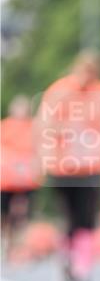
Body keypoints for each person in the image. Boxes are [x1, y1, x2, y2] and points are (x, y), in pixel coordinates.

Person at [39, 52, 100, 281]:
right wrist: (73, 128)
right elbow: (46, 124)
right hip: (64, 166)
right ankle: (66, 260)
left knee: (87, 218)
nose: (88, 78)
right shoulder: (59, 91)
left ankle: (82, 270)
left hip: (91, 166)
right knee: (69, 216)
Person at [0, 96, 41, 260]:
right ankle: (4, 242)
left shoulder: (32, 128)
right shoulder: (5, 127)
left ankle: (17, 247)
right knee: (4, 214)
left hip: (25, 179)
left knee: (22, 214)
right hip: (6, 180)